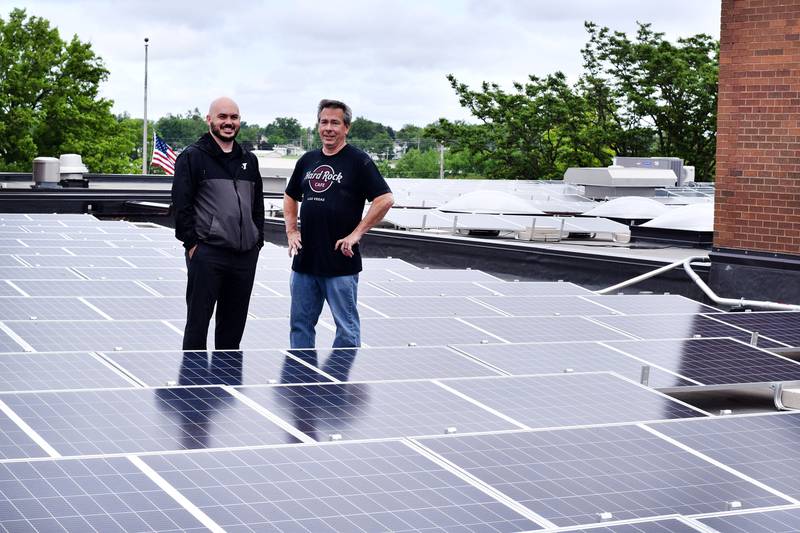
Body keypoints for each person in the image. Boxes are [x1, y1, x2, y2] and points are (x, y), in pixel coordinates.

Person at [284, 99, 394, 349]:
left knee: (346, 329)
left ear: (346, 127)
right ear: (318, 126)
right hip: (305, 262)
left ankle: (340, 386)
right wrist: (291, 231)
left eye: (335, 122)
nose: (329, 128)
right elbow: (290, 195)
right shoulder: (307, 160)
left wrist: (356, 234)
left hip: (340, 262)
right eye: (324, 122)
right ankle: (302, 382)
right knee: (300, 325)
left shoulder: (358, 161)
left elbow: (385, 199)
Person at [171, 96, 264, 351]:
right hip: (207, 253)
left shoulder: (249, 160)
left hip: (244, 256)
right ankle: (193, 386)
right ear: (209, 119)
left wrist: (258, 241)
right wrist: (192, 245)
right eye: (222, 117)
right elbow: (181, 205)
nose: (228, 122)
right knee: (198, 324)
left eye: (233, 117)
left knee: (233, 329)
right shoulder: (192, 157)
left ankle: (227, 387)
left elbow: (257, 204)